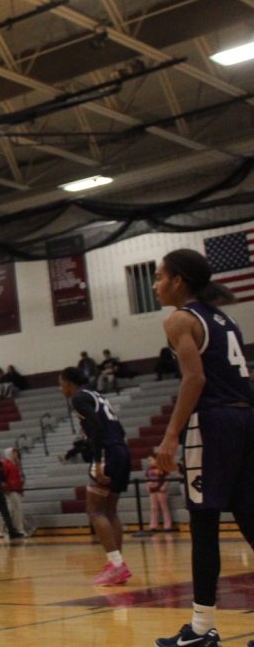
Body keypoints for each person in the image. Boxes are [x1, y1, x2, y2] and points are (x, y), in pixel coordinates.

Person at [152, 249, 254, 647]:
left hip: (213, 422)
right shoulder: (224, 318)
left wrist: (171, 435)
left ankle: (199, 630)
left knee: (205, 524)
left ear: (179, 280)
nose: (156, 285)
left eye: (160, 277)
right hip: (246, 417)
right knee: (250, 519)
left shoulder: (179, 319)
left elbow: (194, 379)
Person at [59, 367, 130, 585]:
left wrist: (98, 460)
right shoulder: (97, 395)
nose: (60, 388)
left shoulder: (79, 398)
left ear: (69, 383)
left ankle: (117, 565)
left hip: (108, 452)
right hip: (122, 450)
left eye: (61, 383)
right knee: (110, 510)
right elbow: (121, 429)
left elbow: (97, 428)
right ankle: (117, 564)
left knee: (94, 509)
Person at [0, 447, 27, 537]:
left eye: (16, 452)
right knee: (17, 509)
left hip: (17, 489)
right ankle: (19, 529)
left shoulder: (15, 463)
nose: (16, 454)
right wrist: (5, 490)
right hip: (10, 490)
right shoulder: (5, 463)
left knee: (12, 510)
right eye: (14, 452)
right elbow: (3, 478)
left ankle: (4, 529)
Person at [145, 456, 173, 532]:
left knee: (164, 507)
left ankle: (167, 525)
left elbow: (168, 478)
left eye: (151, 460)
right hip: (152, 490)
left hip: (161, 490)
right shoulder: (149, 469)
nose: (149, 462)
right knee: (153, 508)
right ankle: (153, 525)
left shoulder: (163, 467)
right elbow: (147, 479)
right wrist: (147, 485)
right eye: (149, 461)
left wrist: (164, 486)